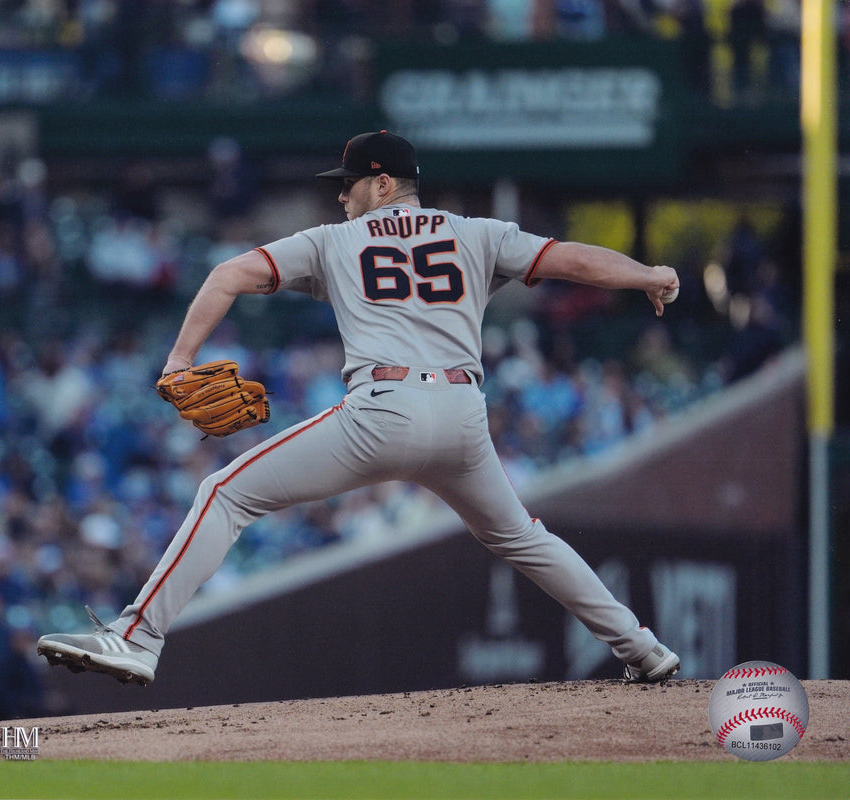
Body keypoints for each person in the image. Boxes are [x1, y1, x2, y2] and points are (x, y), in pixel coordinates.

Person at [37, 131, 682, 687]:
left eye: (347, 185)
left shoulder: (332, 242)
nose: (339, 197)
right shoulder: (478, 234)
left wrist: (179, 361)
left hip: (383, 409)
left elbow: (227, 274)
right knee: (522, 537)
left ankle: (138, 636)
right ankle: (643, 649)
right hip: (463, 416)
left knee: (226, 493)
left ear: (380, 184)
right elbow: (571, 259)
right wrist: (647, 274)